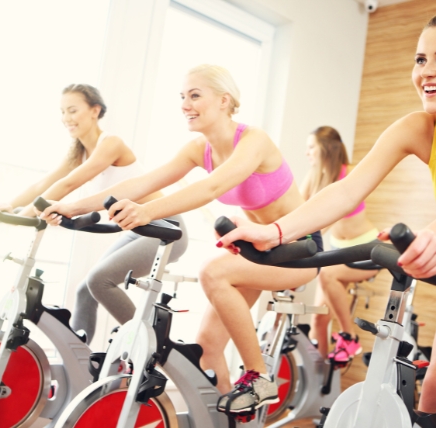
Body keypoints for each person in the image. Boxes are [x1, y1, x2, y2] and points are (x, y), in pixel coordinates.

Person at [216, 10, 436, 428]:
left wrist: (432, 239)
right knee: (435, 398)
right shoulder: (418, 128)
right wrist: (275, 231)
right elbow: (347, 189)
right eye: (420, 60)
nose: (427, 72)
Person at [40, 64, 322, 414]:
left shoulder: (254, 140)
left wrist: (147, 212)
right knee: (206, 349)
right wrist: (70, 206)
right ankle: (225, 422)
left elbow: (213, 186)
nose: (185, 104)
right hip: (257, 252)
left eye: (195, 95)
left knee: (214, 272)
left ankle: (259, 377)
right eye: (182, 96)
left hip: (298, 250)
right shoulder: (198, 149)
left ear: (224, 100)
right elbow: (143, 184)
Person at [0, 83, 188, 344]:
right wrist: (9, 208)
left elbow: (67, 185)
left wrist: (28, 215)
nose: (67, 118)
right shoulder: (79, 153)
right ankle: (78, 367)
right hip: (137, 229)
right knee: (85, 290)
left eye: (73, 110)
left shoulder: (111, 143)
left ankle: (150, 346)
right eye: (63, 112)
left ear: (94, 110)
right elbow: (43, 185)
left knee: (100, 280)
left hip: (165, 228)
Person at [302, 126, 379, 362]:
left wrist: (304, 242)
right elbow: (298, 209)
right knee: (318, 319)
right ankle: (321, 378)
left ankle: (350, 336)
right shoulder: (316, 177)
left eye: (311, 147)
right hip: (338, 251)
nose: (308, 153)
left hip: (365, 250)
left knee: (326, 275)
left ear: (326, 149)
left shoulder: (349, 176)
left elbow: (326, 218)